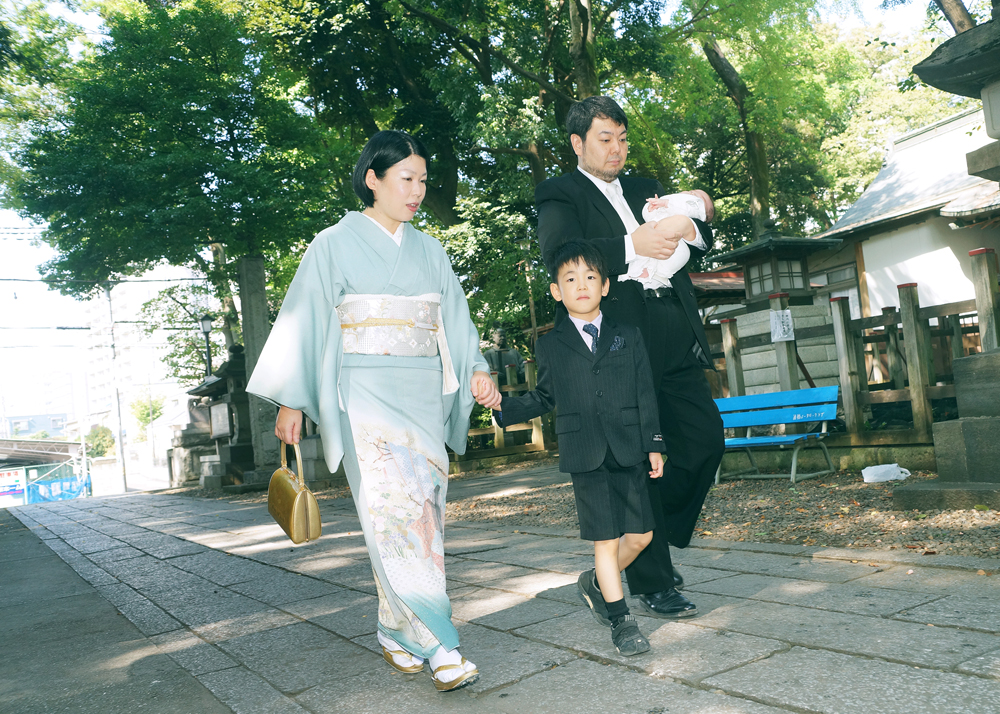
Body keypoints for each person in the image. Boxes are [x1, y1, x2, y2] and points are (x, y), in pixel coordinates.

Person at [246, 130, 501, 693]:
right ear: (373, 179)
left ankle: (394, 627)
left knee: (424, 515)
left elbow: (454, 320)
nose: (417, 191)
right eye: (406, 179)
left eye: (423, 181)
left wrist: (478, 369)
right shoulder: (331, 244)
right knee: (394, 514)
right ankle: (441, 644)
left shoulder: (431, 250)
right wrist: (294, 399)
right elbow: (306, 320)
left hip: (422, 393)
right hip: (363, 396)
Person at [535, 96, 725, 621]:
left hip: (672, 325)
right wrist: (630, 244)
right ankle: (653, 580)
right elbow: (559, 256)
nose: (616, 148)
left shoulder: (644, 188)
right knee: (645, 462)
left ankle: (641, 545)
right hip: (618, 340)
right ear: (578, 143)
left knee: (704, 440)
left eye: (621, 138)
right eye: (604, 139)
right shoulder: (559, 193)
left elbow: (698, 231)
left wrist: (691, 230)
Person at [493, 241, 664, 656]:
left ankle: (593, 581)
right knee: (605, 539)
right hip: (584, 451)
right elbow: (545, 396)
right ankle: (621, 619)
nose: (581, 285)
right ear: (556, 290)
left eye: (590, 277)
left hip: (628, 446)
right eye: (570, 278)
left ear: (605, 286)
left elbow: (645, 393)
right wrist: (503, 406)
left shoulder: (628, 335)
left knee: (641, 536)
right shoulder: (551, 345)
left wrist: (654, 443)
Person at [625, 190, 716, 286]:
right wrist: (651, 208)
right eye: (692, 191)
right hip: (650, 237)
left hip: (673, 245)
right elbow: (649, 217)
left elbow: (687, 209)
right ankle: (642, 269)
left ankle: (655, 273)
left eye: (700, 197)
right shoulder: (668, 202)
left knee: (678, 254)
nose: (692, 193)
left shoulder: (691, 206)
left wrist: (666, 203)